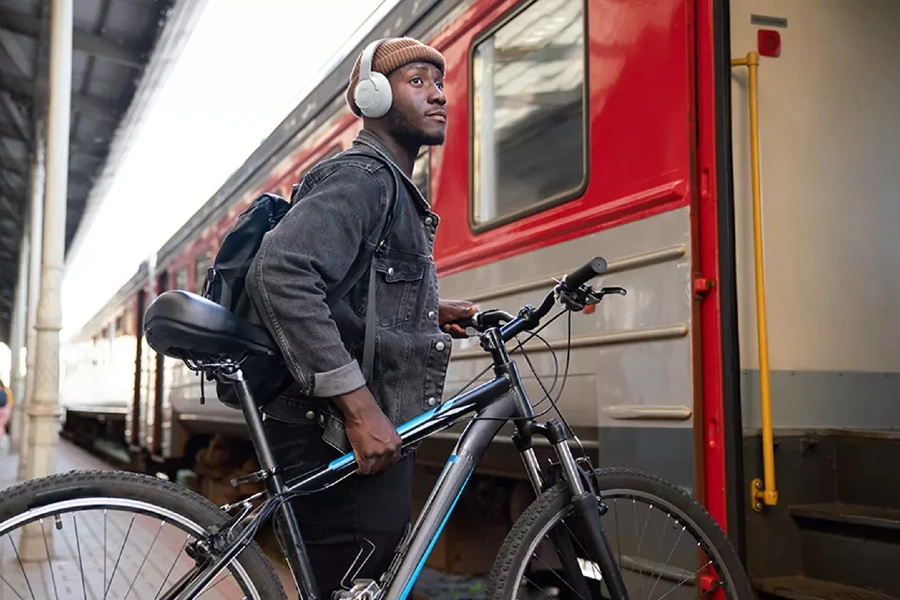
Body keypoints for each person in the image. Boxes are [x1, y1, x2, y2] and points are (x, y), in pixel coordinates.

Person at [246, 37, 476, 596]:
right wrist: (360, 407)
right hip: (329, 431)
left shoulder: (391, 184)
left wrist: (427, 311)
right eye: (417, 81)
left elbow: (346, 289)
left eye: (439, 82)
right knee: (350, 584)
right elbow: (283, 274)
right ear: (372, 97)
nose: (438, 94)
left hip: (340, 428)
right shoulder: (365, 177)